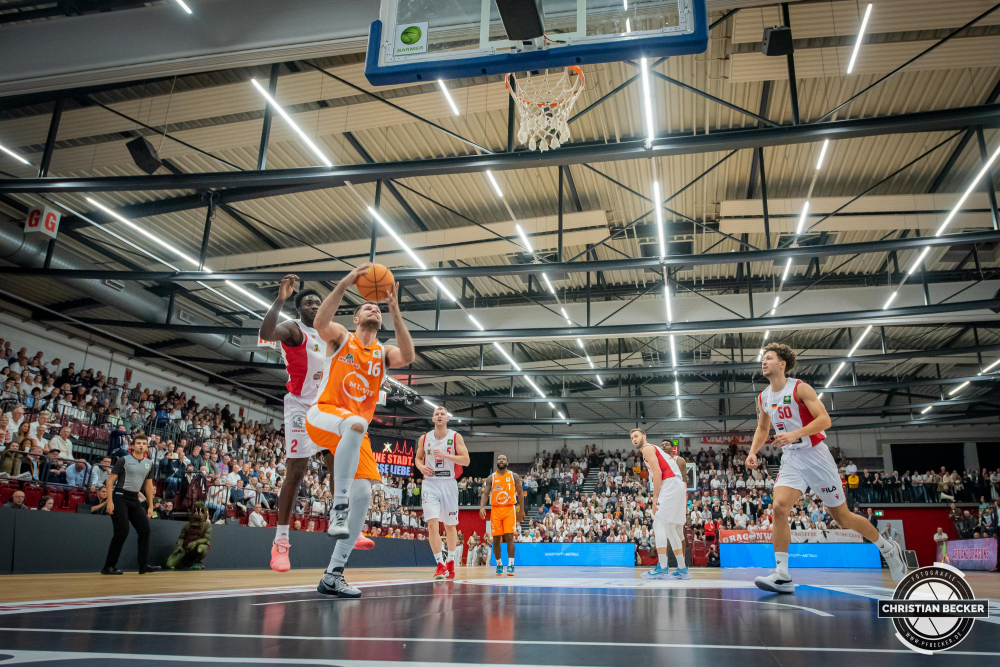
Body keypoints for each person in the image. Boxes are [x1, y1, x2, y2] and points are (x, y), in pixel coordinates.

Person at [747, 343, 907, 594]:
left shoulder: (800, 388)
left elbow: (825, 420)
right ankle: (782, 574)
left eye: (769, 358)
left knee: (842, 517)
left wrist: (794, 434)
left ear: (782, 364)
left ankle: (887, 548)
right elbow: (763, 428)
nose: (763, 362)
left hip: (816, 456)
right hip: (791, 458)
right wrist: (752, 452)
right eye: (762, 359)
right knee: (779, 507)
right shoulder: (763, 397)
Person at [304, 263, 414, 598]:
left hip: (355, 433)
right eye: (367, 308)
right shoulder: (342, 337)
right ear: (355, 318)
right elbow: (320, 323)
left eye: (376, 310)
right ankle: (338, 508)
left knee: (364, 494)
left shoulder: (382, 353)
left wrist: (394, 310)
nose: (373, 311)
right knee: (356, 423)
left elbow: (408, 355)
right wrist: (344, 283)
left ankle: (333, 574)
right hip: (323, 416)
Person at [259, 274, 338, 572]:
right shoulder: (294, 329)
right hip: (299, 406)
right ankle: (280, 541)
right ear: (299, 308)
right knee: (297, 471)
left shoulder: (331, 333)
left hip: (324, 406)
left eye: (318, 302)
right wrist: (280, 299)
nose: (315, 306)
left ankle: (340, 519)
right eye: (309, 303)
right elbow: (267, 332)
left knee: (338, 462)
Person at [415, 406, 470, 581]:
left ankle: (451, 561)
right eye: (436, 414)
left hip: (448, 483)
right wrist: (421, 466)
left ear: (447, 418)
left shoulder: (455, 437)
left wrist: (447, 456)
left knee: (449, 526)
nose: (439, 416)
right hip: (430, 483)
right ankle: (440, 564)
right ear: (432, 419)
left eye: (442, 414)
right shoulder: (424, 438)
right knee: (432, 524)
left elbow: (466, 460)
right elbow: (418, 458)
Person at [101, 432, 160, 576]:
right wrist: (109, 501)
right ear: (132, 446)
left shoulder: (149, 463)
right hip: (120, 496)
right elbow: (110, 482)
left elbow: (148, 486)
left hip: (134, 498)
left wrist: (150, 506)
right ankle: (109, 566)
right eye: (138, 443)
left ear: (147, 447)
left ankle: (144, 565)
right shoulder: (123, 460)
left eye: (144, 444)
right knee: (122, 531)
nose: (141, 446)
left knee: (145, 529)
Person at [633, 429, 689, 580]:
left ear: (644, 436)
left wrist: (655, 498)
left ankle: (663, 567)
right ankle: (682, 569)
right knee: (670, 529)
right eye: (632, 438)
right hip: (678, 486)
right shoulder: (655, 450)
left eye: (636, 436)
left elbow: (657, 473)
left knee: (658, 524)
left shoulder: (647, 449)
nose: (634, 439)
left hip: (669, 484)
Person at [479, 454, 525, 576]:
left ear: (507, 462)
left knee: (509, 537)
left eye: (503, 459)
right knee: (495, 539)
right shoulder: (491, 478)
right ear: (497, 462)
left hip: (509, 508)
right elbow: (485, 494)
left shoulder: (513, 476)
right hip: (496, 509)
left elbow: (520, 493)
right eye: (499, 459)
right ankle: (499, 564)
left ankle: (511, 564)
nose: (501, 460)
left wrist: (521, 510)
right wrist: (482, 507)